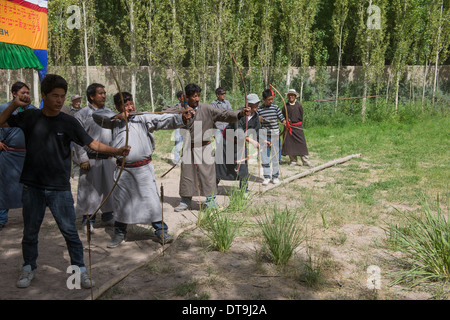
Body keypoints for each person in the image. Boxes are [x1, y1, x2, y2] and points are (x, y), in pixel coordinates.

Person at [0, 74, 130, 289]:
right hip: (32, 186)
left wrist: (116, 151)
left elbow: (92, 144)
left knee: (70, 231)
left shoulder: (69, 121)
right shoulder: (30, 117)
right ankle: (28, 267)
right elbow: (1, 121)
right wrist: (15, 103)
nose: (60, 101)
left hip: (59, 188)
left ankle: (79, 269)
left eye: (62, 96)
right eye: (54, 96)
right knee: (30, 231)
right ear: (43, 96)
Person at [92, 92, 193, 248]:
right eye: (125, 105)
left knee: (151, 202)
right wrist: (118, 116)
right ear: (118, 107)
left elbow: (165, 119)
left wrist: (182, 117)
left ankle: (161, 231)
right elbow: (97, 115)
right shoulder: (114, 121)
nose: (130, 107)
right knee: (122, 203)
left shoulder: (143, 117)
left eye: (131, 103)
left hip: (143, 169)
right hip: (123, 170)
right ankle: (119, 234)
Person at [174, 83, 250, 212]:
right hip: (188, 147)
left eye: (198, 96)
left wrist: (240, 113)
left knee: (208, 174)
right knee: (187, 174)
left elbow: (224, 114)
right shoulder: (180, 108)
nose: (197, 99)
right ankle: (185, 201)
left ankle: (210, 200)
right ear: (187, 97)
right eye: (193, 96)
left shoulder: (207, 108)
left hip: (205, 146)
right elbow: (165, 111)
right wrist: (181, 114)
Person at [73, 83, 116, 233]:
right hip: (90, 159)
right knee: (89, 191)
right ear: (91, 96)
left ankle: (108, 216)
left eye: (104, 93)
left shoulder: (110, 113)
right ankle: (88, 219)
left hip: (108, 158)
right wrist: (83, 158)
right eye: (100, 93)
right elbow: (77, 138)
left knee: (108, 187)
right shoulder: (82, 114)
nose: (104, 96)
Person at [0, 82, 37, 230]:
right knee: (4, 187)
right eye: (23, 93)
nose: (26, 95)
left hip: (28, 155)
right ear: (14, 94)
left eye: (28, 93)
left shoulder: (33, 111)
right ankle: (1, 219)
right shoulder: (4, 109)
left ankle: (31, 218)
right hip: (8, 155)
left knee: (29, 188)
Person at [215, 93, 263, 195]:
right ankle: (212, 188)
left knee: (243, 167)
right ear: (248, 104)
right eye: (255, 103)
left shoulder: (256, 115)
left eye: (258, 103)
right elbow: (238, 132)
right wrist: (251, 141)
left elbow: (257, 130)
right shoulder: (239, 113)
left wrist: (262, 141)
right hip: (227, 144)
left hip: (240, 145)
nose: (257, 105)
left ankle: (244, 190)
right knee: (221, 166)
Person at [258, 89, 286, 185]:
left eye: (271, 99)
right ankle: (266, 177)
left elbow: (281, 117)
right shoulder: (260, 109)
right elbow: (256, 121)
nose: (271, 101)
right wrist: (259, 119)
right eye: (269, 99)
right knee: (265, 157)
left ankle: (275, 177)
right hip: (265, 136)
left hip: (275, 135)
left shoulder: (275, 107)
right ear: (264, 99)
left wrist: (284, 121)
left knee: (276, 157)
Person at [281, 89, 312, 167]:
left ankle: (305, 161)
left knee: (302, 143)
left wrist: (295, 122)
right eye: (289, 95)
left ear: (295, 96)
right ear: (288, 96)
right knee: (290, 144)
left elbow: (301, 117)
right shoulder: (285, 106)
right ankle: (293, 160)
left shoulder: (299, 105)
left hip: (298, 127)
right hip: (289, 128)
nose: (291, 96)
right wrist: (286, 121)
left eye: (292, 95)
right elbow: (283, 117)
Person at [61, 94, 83, 178]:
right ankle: (72, 173)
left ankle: (77, 173)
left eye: (79, 100)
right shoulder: (67, 110)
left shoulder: (83, 110)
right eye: (76, 101)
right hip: (69, 136)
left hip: (79, 135)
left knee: (78, 154)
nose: (78, 102)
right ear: (72, 101)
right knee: (72, 154)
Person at [162, 91, 184, 166]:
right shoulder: (176, 106)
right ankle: (176, 161)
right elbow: (164, 110)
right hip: (179, 128)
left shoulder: (188, 105)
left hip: (187, 128)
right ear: (179, 98)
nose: (184, 98)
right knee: (178, 144)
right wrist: (178, 111)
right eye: (182, 96)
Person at [211, 87, 233, 154]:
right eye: (222, 94)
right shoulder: (213, 103)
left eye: (224, 93)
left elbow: (230, 112)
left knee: (227, 143)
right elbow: (214, 114)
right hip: (217, 127)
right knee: (219, 143)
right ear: (218, 95)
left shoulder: (227, 103)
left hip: (226, 127)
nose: (224, 95)